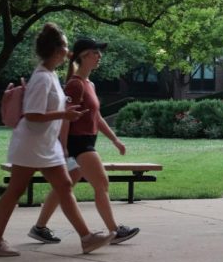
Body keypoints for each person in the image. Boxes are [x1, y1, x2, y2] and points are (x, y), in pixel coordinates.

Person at [0, 24, 114, 256]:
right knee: (15, 190)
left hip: (45, 144)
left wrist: (65, 109)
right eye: (65, 44)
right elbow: (32, 114)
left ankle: (87, 238)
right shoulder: (42, 78)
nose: (68, 49)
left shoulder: (50, 75)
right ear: (57, 50)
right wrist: (65, 114)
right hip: (31, 144)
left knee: (64, 186)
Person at [27, 37, 140, 246]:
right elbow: (65, 118)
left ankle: (39, 228)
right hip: (78, 143)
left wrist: (115, 140)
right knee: (102, 183)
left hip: (88, 139)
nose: (100, 56)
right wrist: (64, 148)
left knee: (63, 188)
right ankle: (115, 231)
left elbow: (95, 117)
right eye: (95, 52)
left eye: (99, 53)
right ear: (83, 56)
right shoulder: (75, 85)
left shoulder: (90, 84)